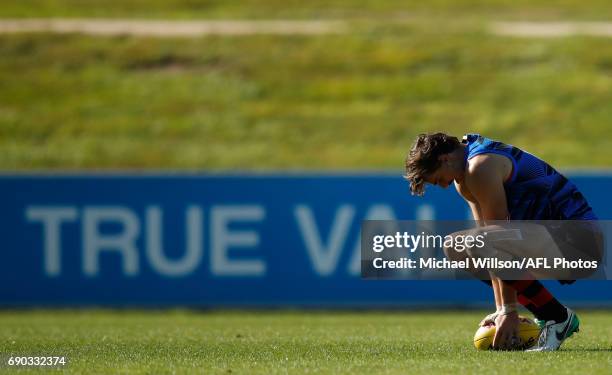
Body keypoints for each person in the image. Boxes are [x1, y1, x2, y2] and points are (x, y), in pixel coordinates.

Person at [404, 132, 603, 351]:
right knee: (455, 246)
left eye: (438, 179)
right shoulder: (463, 178)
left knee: (479, 240)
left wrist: (510, 310)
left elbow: (497, 238)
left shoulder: (481, 166)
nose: (443, 186)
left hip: (581, 242)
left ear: (444, 159)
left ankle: (556, 319)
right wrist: (501, 309)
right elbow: (488, 249)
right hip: (546, 240)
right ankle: (554, 316)